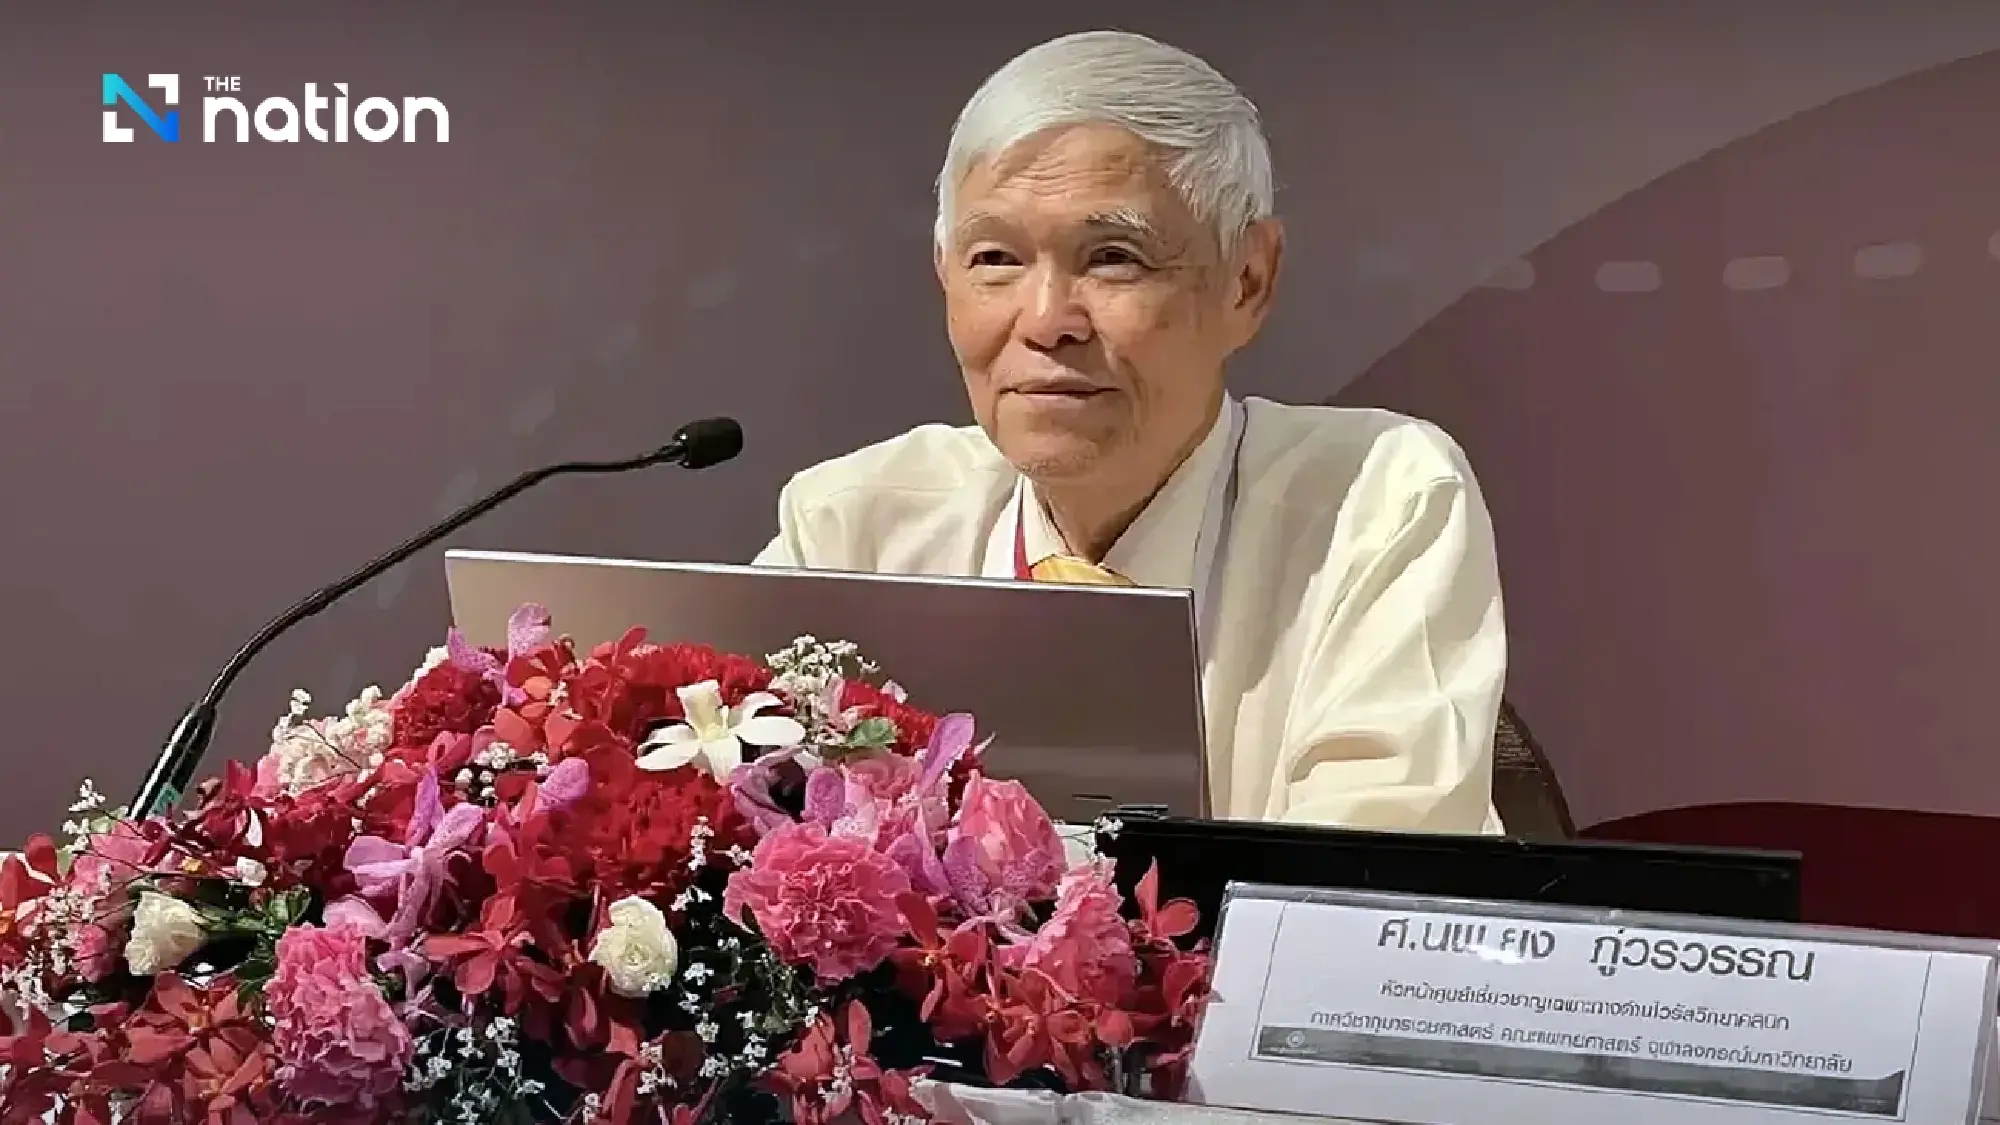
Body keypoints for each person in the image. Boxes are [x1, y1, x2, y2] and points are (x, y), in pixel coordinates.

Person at [755, 30, 1506, 834]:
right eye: (996, 258)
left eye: (1114, 257)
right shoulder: (851, 528)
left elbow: (1356, 880)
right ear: (944, 274)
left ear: (1247, 281)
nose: (1047, 320)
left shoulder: (1376, 504)